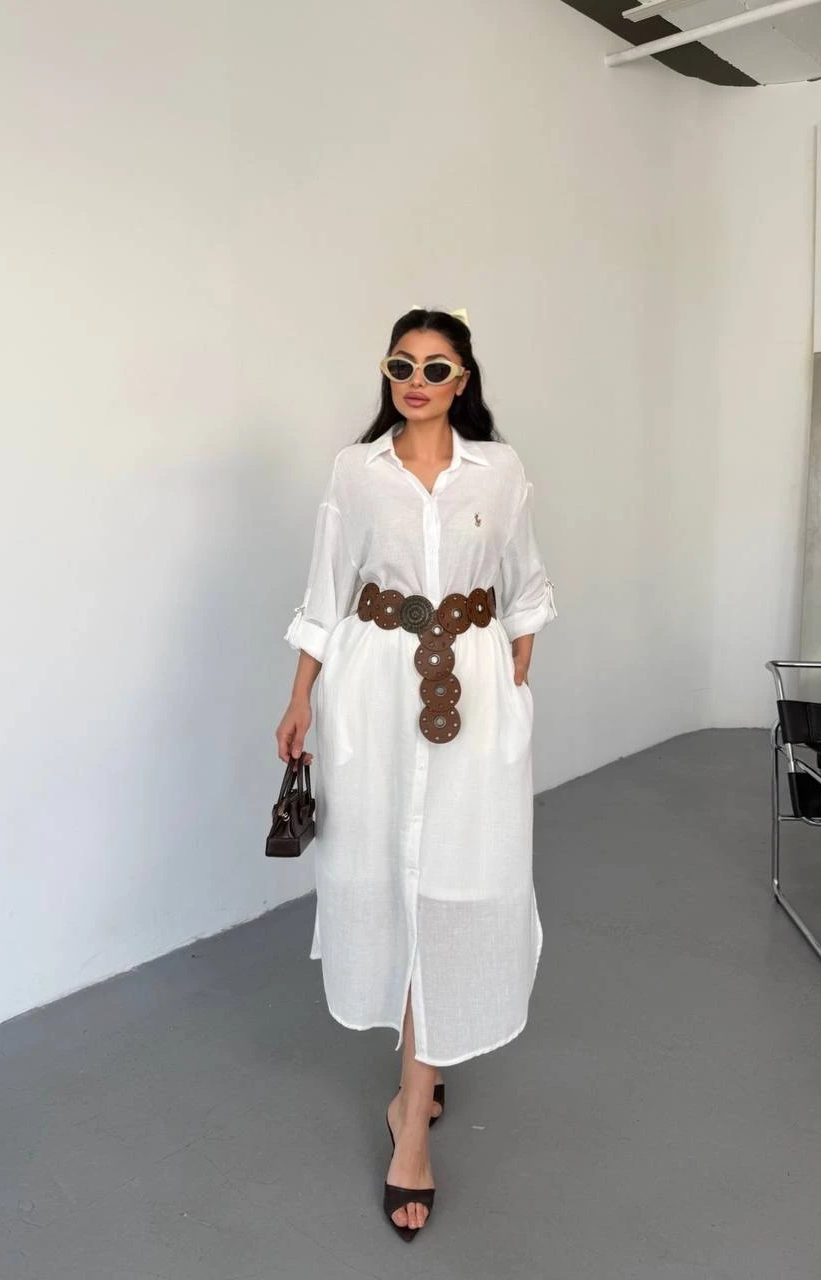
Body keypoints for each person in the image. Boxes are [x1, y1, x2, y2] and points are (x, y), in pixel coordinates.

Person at [275, 305, 557, 1242]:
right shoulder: (356, 472)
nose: (417, 382)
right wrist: (300, 697)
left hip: (471, 700)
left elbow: (524, 581)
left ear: (463, 379)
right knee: (389, 876)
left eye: (437, 368)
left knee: (458, 880)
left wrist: (513, 670)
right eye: (402, 365)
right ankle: (414, 1101)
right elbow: (326, 592)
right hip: (374, 694)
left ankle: (413, 1099)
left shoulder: (499, 470)